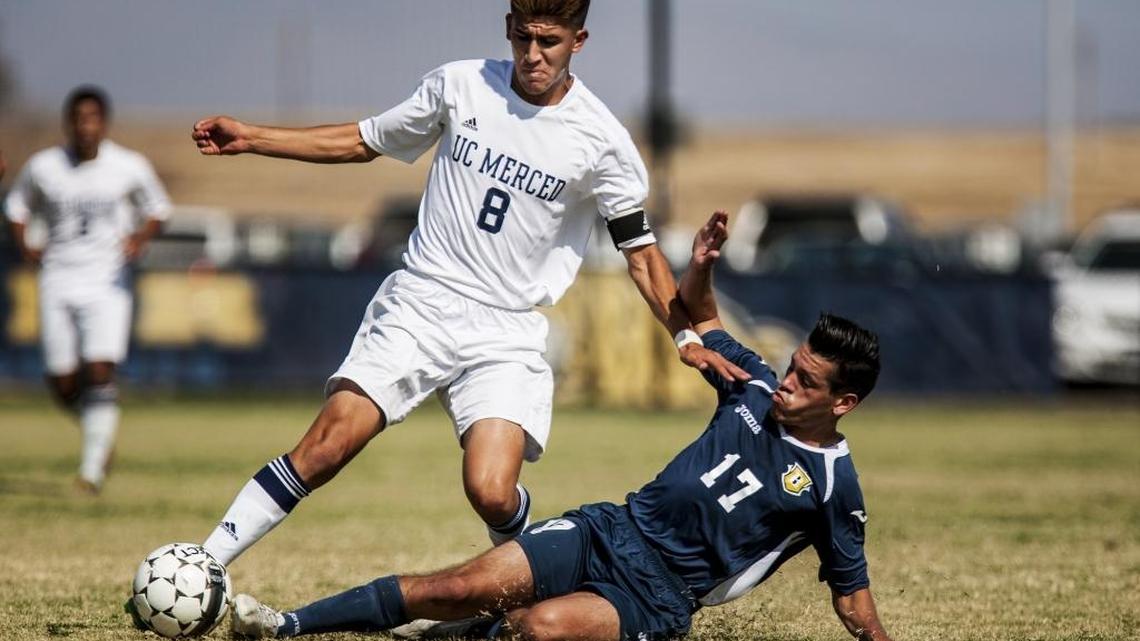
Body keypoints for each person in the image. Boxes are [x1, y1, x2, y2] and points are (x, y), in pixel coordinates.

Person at [188, 0, 748, 571]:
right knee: (329, 443)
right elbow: (364, 140)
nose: (533, 55)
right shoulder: (459, 85)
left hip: (506, 329)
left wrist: (684, 336)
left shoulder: (602, 141)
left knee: (490, 490)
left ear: (578, 41)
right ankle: (202, 563)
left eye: (549, 42)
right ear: (508, 29)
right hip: (422, 300)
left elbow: (642, 256)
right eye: (523, 38)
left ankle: (530, 568)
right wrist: (251, 136)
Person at [225, 211, 894, 641]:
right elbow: (706, 321)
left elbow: (854, 603)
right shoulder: (750, 385)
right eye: (792, 366)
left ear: (844, 404)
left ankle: (457, 636)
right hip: (610, 528)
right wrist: (703, 265)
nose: (786, 381)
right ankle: (285, 626)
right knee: (453, 587)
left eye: (806, 380)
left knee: (535, 629)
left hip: (658, 595)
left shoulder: (835, 487)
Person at [4, 85, 170, 494]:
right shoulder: (44, 166)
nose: (86, 127)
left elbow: (158, 209)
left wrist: (139, 239)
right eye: (79, 119)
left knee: (99, 369)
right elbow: (16, 207)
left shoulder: (127, 165)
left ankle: (92, 470)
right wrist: (24, 241)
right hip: (57, 276)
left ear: (104, 123)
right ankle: (100, 433)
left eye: (93, 118)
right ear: (69, 124)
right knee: (62, 383)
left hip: (107, 280)